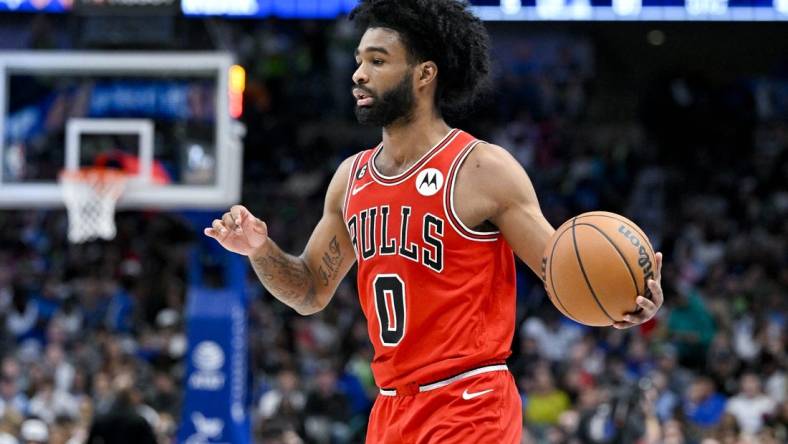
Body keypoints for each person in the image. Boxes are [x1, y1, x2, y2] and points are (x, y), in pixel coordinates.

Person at [204, 0, 664, 442]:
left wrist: (624, 299)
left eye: (378, 61)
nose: (359, 74)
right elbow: (307, 292)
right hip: (390, 409)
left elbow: (561, 269)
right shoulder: (351, 180)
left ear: (424, 74)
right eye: (359, 60)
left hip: (470, 402)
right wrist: (259, 250)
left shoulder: (483, 169)